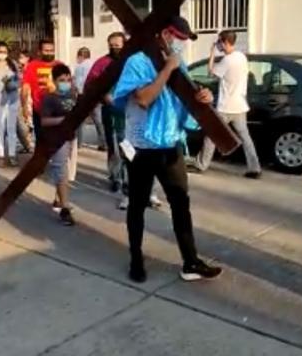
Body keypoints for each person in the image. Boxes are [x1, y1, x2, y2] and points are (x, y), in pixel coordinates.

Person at [112, 16, 223, 284]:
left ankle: (190, 261)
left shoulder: (178, 63)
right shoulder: (137, 62)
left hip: (170, 145)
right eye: (178, 38)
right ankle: (136, 260)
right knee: (137, 206)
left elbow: (185, 99)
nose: (180, 45)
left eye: (184, 41)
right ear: (163, 34)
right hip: (141, 147)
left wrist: (202, 98)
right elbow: (143, 99)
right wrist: (167, 70)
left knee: (181, 205)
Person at [86, 32, 162, 210]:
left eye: (118, 44)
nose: (115, 47)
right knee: (125, 153)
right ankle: (123, 188)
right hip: (118, 117)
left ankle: (151, 192)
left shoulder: (140, 62)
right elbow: (91, 83)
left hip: (145, 117)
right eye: (111, 44)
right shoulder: (103, 63)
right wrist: (104, 96)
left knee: (150, 156)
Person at [192, 31, 262, 179]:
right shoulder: (241, 57)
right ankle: (254, 167)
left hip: (226, 106)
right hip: (240, 105)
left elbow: (211, 73)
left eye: (219, 42)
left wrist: (212, 53)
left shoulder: (227, 61)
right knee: (245, 137)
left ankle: (201, 164)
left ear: (224, 43)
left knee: (212, 134)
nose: (219, 45)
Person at [40, 63, 78, 226]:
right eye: (62, 80)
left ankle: (58, 200)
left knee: (67, 172)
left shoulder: (72, 95)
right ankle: (65, 208)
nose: (66, 83)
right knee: (61, 171)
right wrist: (63, 120)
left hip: (71, 136)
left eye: (68, 80)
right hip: (57, 138)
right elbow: (44, 121)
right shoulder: (49, 98)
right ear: (55, 81)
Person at [0, 41, 21, 167]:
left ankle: (12, 155)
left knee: (11, 129)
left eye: (5, 52)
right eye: (0, 51)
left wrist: (13, 84)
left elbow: (19, 80)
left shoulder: (13, 64)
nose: (3, 54)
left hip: (12, 100)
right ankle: (0, 155)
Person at [21, 38, 59, 142]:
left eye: (51, 50)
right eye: (46, 50)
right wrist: (24, 106)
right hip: (39, 108)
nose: (49, 53)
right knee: (41, 137)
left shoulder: (60, 65)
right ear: (39, 52)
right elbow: (25, 87)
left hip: (56, 108)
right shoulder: (32, 66)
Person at [73, 46, 105, 151]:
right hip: (96, 95)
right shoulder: (95, 64)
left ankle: (78, 143)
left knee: (79, 121)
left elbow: (77, 83)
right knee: (98, 120)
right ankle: (103, 143)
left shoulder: (79, 66)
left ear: (81, 56)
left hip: (84, 96)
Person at [15, 49, 34, 153]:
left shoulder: (31, 68)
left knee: (28, 121)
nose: (19, 59)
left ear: (27, 58)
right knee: (23, 122)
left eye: (22, 57)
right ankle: (27, 144)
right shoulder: (19, 69)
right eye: (19, 57)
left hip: (28, 96)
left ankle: (29, 144)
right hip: (20, 95)